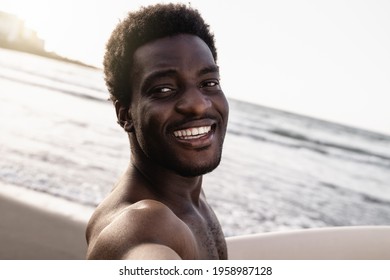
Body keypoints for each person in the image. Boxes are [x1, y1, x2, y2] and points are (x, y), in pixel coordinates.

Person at [86, 3, 229, 260]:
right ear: (125, 114)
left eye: (209, 83)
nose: (198, 104)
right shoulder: (143, 225)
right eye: (164, 89)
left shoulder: (187, 194)